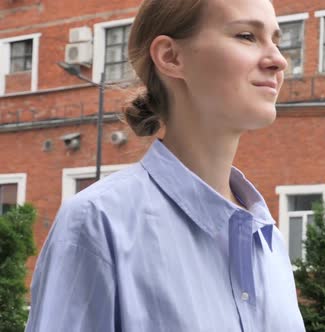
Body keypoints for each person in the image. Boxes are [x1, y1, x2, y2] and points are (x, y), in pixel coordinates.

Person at [25, 0, 305, 331]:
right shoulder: (99, 223)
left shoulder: (267, 239)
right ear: (171, 57)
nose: (278, 60)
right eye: (246, 35)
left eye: (277, 40)